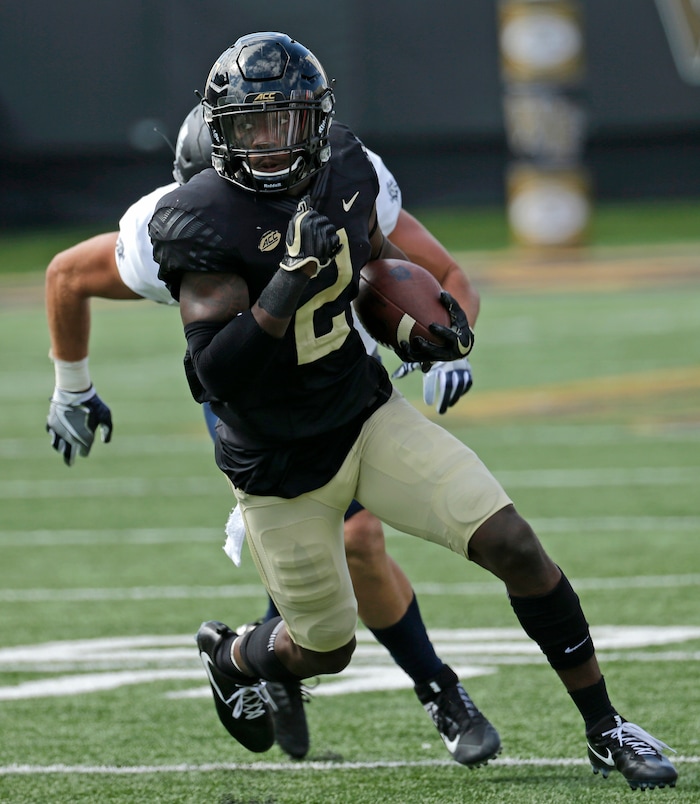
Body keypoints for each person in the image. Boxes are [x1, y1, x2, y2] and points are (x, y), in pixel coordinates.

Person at [149, 32, 678, 791]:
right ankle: (233, 658)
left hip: (365, 416)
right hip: (278, 465)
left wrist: (416, 325)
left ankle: (606, 727)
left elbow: (371, 263)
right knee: (325, 648)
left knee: (515, 545)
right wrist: (285, 285)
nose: (269, 144)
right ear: (221, 131)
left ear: (317, 122)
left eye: (285, 122)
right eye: (251, 126)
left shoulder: (345, 168)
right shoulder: (202, 216)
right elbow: (214, 375)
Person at [45, 105, 495, 765]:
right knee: (340, 538)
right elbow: (66, 275)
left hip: (346, 383)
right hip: (251, 398)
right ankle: (380, 674)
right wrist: (72, 385)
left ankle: (358, 672)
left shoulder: (345, 176)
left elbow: (445, 278)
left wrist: (450, 344)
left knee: (356, 541)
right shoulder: (169, 227)